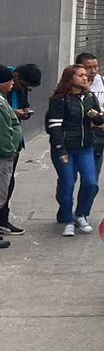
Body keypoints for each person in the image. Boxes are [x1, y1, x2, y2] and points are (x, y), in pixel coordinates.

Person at [46, 64, 104, 236]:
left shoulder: (89, 96)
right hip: (66, 149)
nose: (85, 77)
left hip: (85, 148)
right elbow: (54, 126)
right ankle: (67, 220)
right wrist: (60, 150)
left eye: (85, 75)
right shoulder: (59, 99)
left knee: (91, 183)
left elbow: (101, 120)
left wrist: (96, 116)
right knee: (67, 184)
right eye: (80, 75)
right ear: (70, 78)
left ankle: (80, 214)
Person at [0, 65, 39, 236]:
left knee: (7, 184)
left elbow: (23, 105)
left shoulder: (18, 87)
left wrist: (24, 112)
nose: (23, 89)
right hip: (4, 147)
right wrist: (13, 113)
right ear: (15, 76)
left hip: (12, 146)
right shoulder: (5, 79)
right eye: (22, 85)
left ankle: (3, 220)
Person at [77, 53, 104, 179]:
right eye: (89, 67)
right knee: (69, 178)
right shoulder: (68, 85)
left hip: (97, 133)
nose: (93, 71)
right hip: (74, 133)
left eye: (95, 66)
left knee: (92, 177)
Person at [0, 66, 22, 248]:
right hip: (4, 156)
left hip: (6, 155)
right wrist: (9, 151)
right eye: (10, 80)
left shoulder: (3, 100)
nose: (12, 83)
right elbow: (4, 132)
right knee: (1, 194)